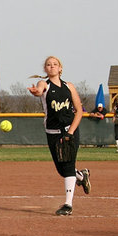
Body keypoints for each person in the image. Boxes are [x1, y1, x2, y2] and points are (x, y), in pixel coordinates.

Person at [28, 56, 91, 216]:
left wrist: (70, 132)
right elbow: (40, 90)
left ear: (60, 68)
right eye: (48, 65)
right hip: (52, 133)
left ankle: (68, 205)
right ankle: (81, 176)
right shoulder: (45, 85)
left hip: (70, 130)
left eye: (55, 64)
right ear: (45, 69)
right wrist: (37, 92)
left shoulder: (69, 87)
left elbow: (79, 111)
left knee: (68, 165)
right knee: (62, 171)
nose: (52, 67)